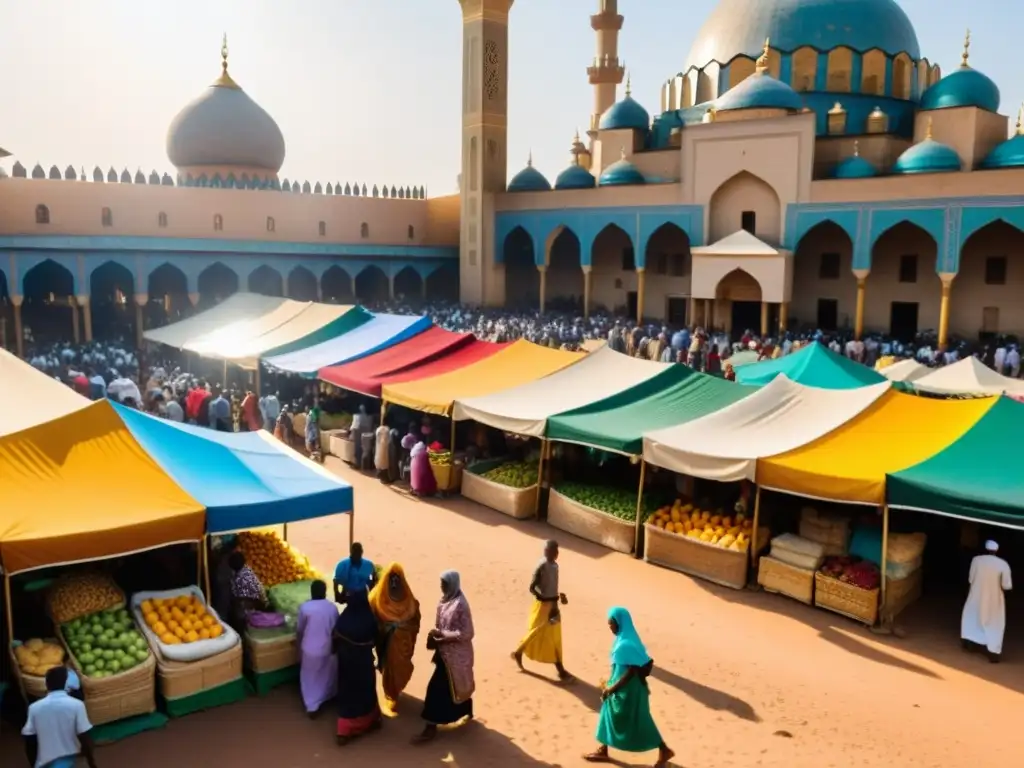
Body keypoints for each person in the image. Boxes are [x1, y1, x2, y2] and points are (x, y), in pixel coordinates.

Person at [584, 607, 674, 767]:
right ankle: (603, 749)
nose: (610, 627)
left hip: (629, 690)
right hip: (622, 687)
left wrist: (612, 689)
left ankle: (664, 749)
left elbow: (631, 671)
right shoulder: (626, 637)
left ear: (620, 622)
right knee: (607, 714)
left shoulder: (626, 644)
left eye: (612, 624)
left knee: (640, 720)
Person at [413, 570, 475, 745]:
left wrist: (444, 636)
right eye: (441, 583)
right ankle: (465, 710)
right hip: (443, 653)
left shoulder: (461, 604)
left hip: (456, 655)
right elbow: (440, 624)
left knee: (436, 689)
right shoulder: (444, 601)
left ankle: (430, 727)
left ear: (453, 584)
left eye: (444, 584)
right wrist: (436, 635)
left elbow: (468, 632)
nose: (441, 587)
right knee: (450, 688)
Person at [512, 540, 573, 683]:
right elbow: (532, 587)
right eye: (548, 551)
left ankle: (560, 669)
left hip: (553, 606)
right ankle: (560, 670)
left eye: (554, 551)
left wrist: (558, 598)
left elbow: (552, 587)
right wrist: (544, 598)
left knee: (555, 636)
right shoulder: (541, 566)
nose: (551, 553)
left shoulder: (555, 566)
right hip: (543, 606)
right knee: (537, 632)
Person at [369, 563, 421, 712]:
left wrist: (401, 628)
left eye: (397, 579)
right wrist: (385, 629)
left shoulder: (410, 601)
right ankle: (392, 695)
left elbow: (415, 620)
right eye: (391, 579)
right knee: (389, 671)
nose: (394, 583)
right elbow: (371, 617)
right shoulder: (377, 598)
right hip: (386, 645)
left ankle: (394, 692)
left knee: (401, 670)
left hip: (403, 646)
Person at [22, 666, 98, 768]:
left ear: (47, 684)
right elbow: (85, 737)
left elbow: (30, 741)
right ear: (66, 684)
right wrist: (91, 763)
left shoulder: (34, 708)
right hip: (71, 760)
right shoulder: (77, 705)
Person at [333, 590, 382, 744]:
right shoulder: (369, 619)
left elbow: (335, 637)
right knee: (365, 691)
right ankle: (370, 721)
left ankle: (344, 729)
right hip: (363, 664)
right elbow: (376, 639)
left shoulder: (344, 618)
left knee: (347, 691)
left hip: (346, 663)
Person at [961, 540, 1013, 663]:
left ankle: (969, 643)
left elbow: (970, 578)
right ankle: (993, 652)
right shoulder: (1003, 564)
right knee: (994, 623)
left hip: (976, 594)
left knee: (972, 617)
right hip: (994, 599)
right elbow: (1006, 585)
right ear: (997, 550)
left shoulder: (976, 560)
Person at [297, 580, 339, 717]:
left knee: (309, 677)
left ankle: (312, 706)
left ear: (312, 591)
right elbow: (336, 630)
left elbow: (300, 630)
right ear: (325, 592)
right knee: (326, 674)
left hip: (309, 648)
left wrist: (298, 645)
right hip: (327, 647)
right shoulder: (332, 608)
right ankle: (326, 697)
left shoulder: (305, 608)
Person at [228, 551, 267, 633]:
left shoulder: (241, 578)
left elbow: (244, 599)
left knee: (239, 615)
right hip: (253, 600)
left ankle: (242, 633)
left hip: (251, 604)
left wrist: (234, 602)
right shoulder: (246, 569)